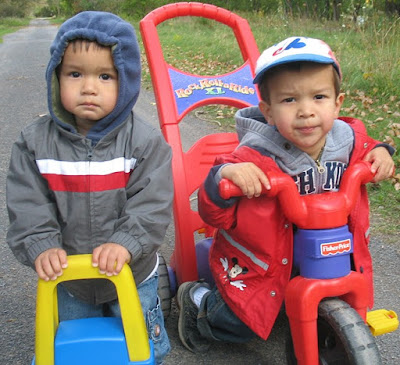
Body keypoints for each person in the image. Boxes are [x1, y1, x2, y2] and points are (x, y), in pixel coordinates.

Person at [176, 36, 395, 352]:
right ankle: (198, 303)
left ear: (337, 103)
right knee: (239, 323)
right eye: (289, 100)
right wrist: (225, 176)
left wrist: (380, 151)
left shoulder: (347, 140)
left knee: (341, 291)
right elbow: (213, 214)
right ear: (267, 110)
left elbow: (366, 144)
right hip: (262, 266)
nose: (306, 111)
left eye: (318, 96)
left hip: (328, 257)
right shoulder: (252, 157)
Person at [6, 11, 172, 364]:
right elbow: (28, 203)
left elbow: (152, 204)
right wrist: (42, 245)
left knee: (137, 345)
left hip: (132, 272)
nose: (89, 87)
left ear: (126, 81)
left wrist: (125, 243)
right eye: (75, 74)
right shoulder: (34, 144)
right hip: (70, 275)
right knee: (76, 348)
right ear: (56, 76)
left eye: (105, 76)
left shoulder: (144, 142)